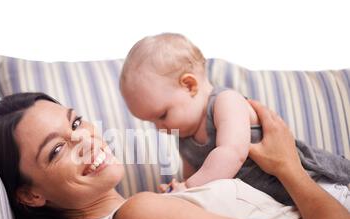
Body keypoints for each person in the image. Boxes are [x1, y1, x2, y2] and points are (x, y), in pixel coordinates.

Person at [0, 92, 350, 219]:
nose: (85, 140)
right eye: (57, 150)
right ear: (31, 194)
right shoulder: (141, 218)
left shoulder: (147, 207)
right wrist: (289, 166)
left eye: (76, 123)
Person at [119, 33, 350, 208]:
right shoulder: (184, 134)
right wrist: (181, 191)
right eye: (151, 122)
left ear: (189, 85)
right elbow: (194, 175)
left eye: (162, 115)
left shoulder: (225, 102)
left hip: (315, 185)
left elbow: (232, 153)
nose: (160, 128)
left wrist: (189, 188)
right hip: (279, 205)